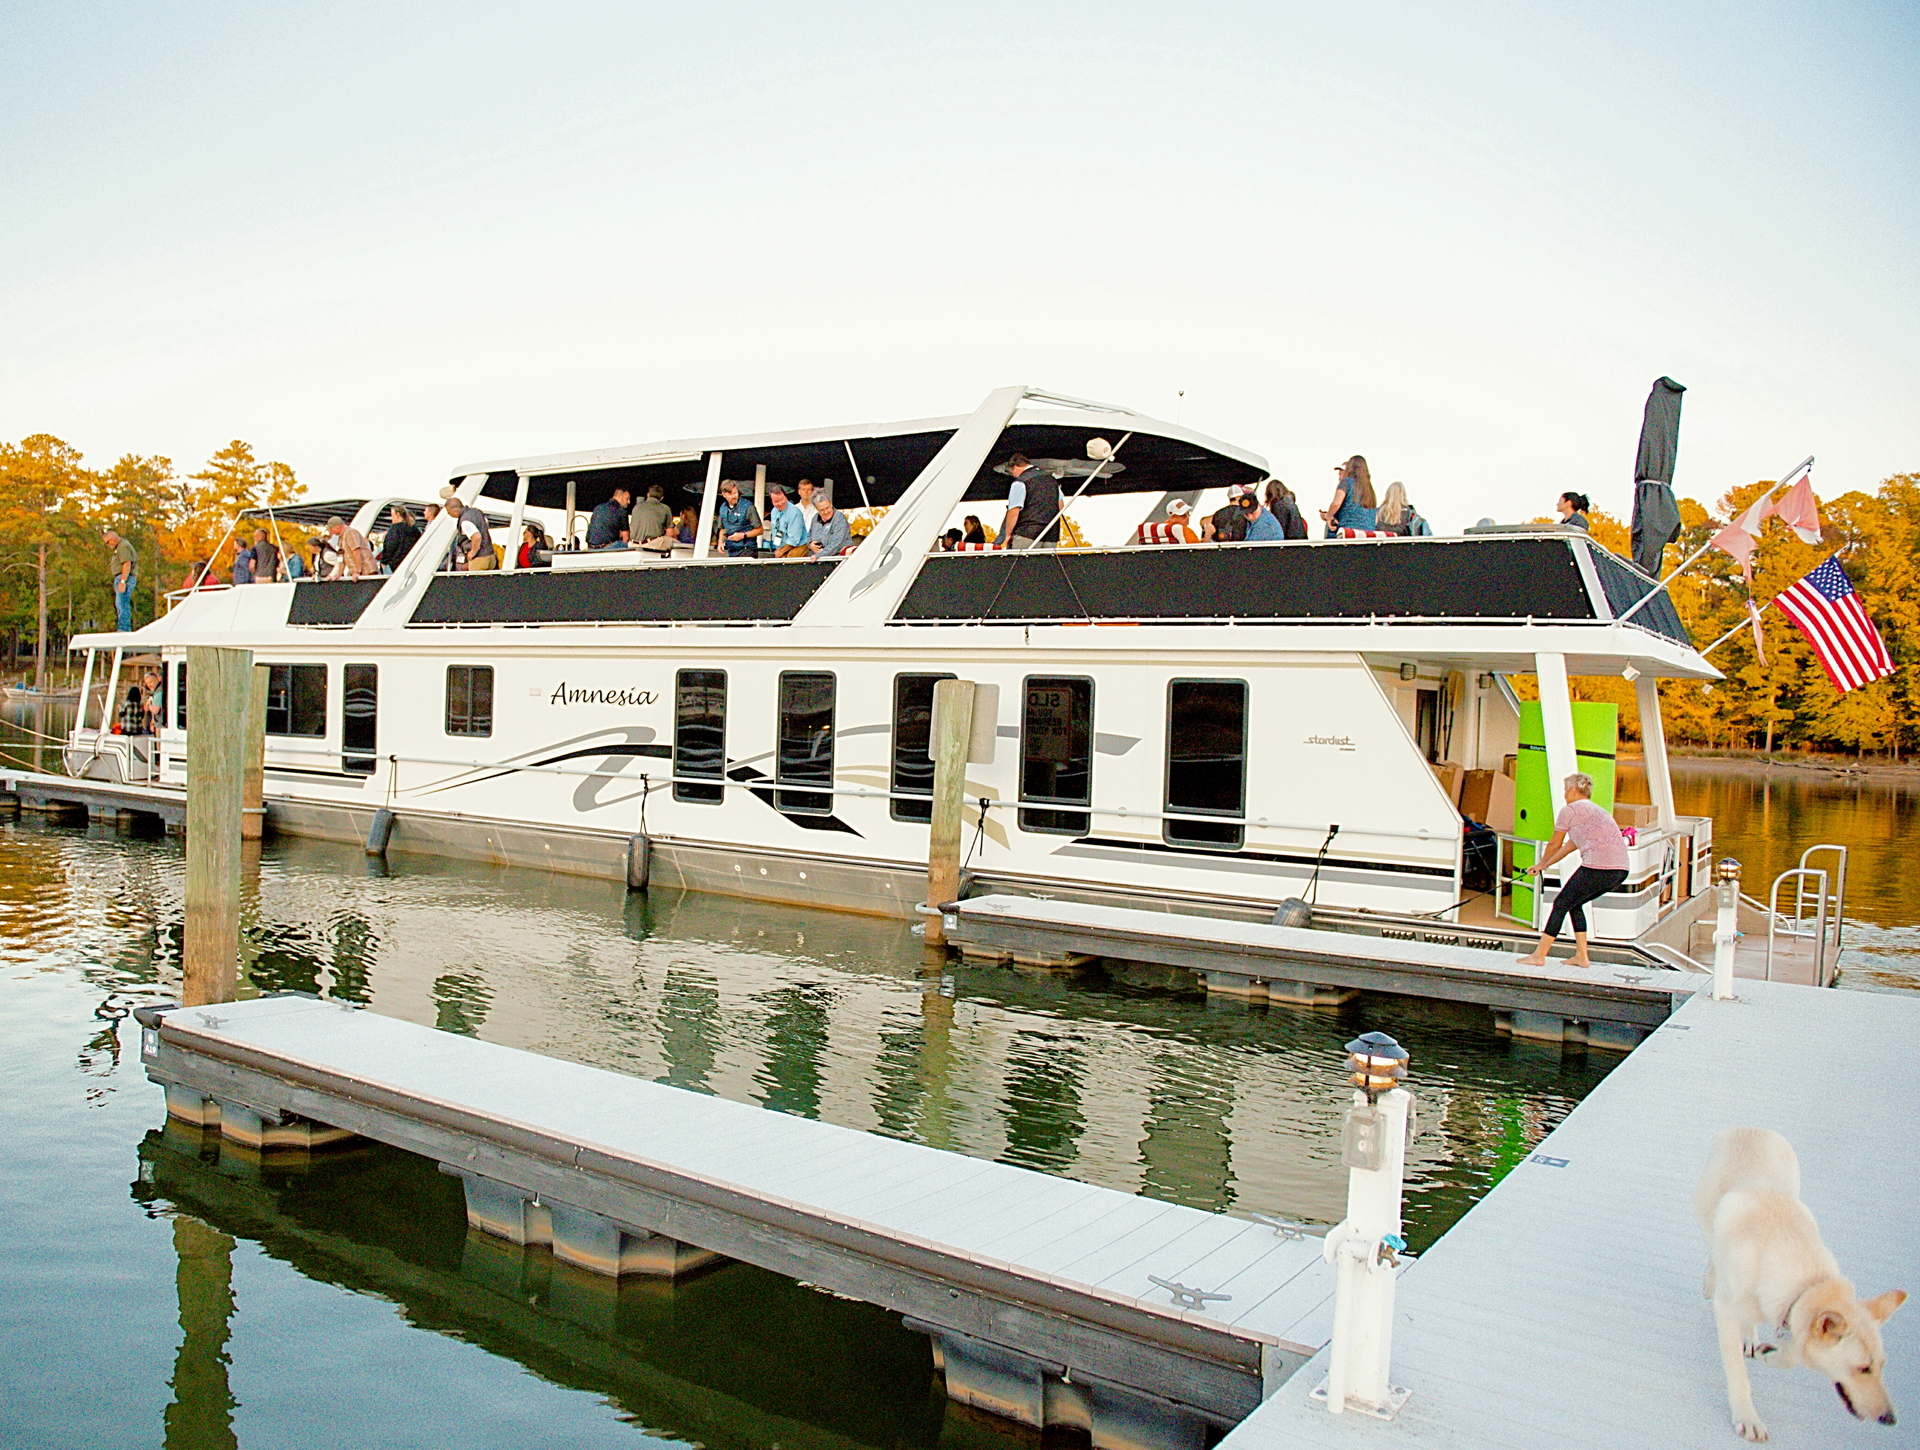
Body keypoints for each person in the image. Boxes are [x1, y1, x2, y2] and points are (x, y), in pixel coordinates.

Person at [1515, 773, 1631, 968]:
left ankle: (1539, 955)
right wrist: (1542, 866)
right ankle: (1582, 957)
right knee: (1574, 903)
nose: (1564, 794)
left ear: (1573, 790)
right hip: (1620, 870)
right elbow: (1567, 848)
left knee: (1561, 903)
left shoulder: (1570, 811)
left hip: (1598, 867)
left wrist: (1541, 863)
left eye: (1565, 790)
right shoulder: (1599, 813)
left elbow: (1554, 843)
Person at [999, 453, 1061, 549]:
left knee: (1022, 563)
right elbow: (1060, 505)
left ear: (1014, 467)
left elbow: (1013, 512)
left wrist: (1007, 535)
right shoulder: (1052, 480)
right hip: (1051, 534)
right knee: (1047, 564)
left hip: (1026, 534)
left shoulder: (1020, 482)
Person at [1321, 456, 1377, 535]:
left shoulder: (1346, 483)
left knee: (1331, 529)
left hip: (1349, 530)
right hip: (1368, 533)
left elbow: (1336, 504)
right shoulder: (1370, 489)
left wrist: (1328, 516)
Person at [714, 480, 763, 558]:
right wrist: (720, 542)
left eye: (735, 493)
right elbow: (723, 529)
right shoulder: (723, 508)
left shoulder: (748, 506)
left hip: (747, 550)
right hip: (732, 551)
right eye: (730, 494)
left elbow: (760, 530)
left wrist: (742, 535)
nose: (734, 496)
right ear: (724, 495)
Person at [445, 497, 495, 570]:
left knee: (476, 581)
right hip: (490, 556)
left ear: (455, 511)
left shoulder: (465, 521)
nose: (449, 514)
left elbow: (477, 536)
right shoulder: (477, 512)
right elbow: (485, 525)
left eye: (449, 512)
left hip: (479, 559)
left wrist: (473, 552)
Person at [104, 528, 137, 631]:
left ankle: (124, 628)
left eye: (107, 542)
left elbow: (127, 563)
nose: (107, 545)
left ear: (112, 539)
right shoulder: (121, 546)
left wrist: (123, 581)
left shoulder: (122, 546)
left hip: (125, 577)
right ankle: (123, 627)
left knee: (122, 603)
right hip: (123, 577)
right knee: (120, 603)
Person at [766, 482, 810, 557]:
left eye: (782, 499)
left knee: (788, 560)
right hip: (782, 547)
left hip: (799, 546)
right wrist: (778, 550)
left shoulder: (795, 512)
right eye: (776, 501)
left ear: (786, 497)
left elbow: (794, 539)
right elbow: (775, 532)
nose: (780, 503)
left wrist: (781, 552)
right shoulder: (774, 512)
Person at [376, 506, 420, 573]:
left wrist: (383, 561)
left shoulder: (394, 529)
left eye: (392, 515)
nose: (391, 518)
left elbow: (389, 546)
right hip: (411, 564)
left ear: (398, 515)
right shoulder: (415, 529)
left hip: (394, 565)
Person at [808, 491, 852, 556]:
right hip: (816, 560)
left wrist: (819, 555)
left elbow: (836, 543)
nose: (826, 512)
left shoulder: (840, 518)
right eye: (822, 510)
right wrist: (810, 543)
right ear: (817, 509)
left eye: (827, 508)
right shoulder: (815, 518)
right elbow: (809, 534)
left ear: (831, 504)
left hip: (838, 559)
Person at [629, 483, 672, 548]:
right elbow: (670, 533)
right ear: (662, 498)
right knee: (675, 542)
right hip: (651, 544)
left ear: (648, 495)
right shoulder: (665, 508)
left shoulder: (636, 507)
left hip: (632, 544)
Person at [139, 667, 164, 734]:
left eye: (150, 682)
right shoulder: (153, 693)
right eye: (147, 683)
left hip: (159, 726)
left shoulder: (159, 692)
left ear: (156, 680)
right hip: (155, 725)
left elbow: (155, 710)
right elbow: (146, 709)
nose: (149, 685)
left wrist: (149, 705)